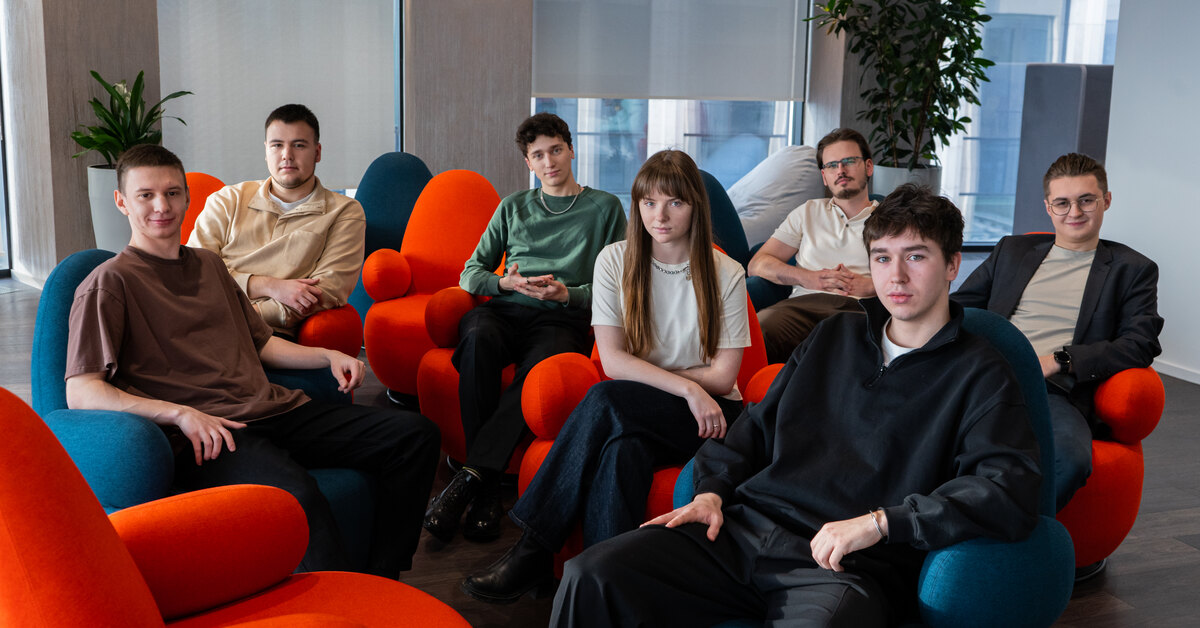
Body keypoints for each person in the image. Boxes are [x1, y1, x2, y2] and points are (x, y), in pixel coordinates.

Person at [552, 184, 1042, 627]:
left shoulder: (981, 371)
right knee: (592, 573)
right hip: (741, 531)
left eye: (916, 256)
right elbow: (756, 427)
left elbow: (1007, 488)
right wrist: (711, 492)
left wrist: (882, 522)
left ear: (953, 265)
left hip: (843, 566)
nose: (896, 275)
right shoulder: (834, 335)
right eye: (882, 257)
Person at [66, 144, 439, 578]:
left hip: (273, 409)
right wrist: (177, 414)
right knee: (297, 497)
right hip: (210, 434)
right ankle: (341, 606)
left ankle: (383, 578)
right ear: (122, 202)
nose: (161, 206)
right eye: (145, 195)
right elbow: (81, 391)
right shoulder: (108, 283)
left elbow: (261, 344)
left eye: (172, 193)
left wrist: (327, 355)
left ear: (187, 198)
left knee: (416, 435)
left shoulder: (209, 265)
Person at [461, 149, 751, 604]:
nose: (660, 216)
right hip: (653, 404)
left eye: (675, 202)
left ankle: (534, 549)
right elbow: (614, 362)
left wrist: (686, 388)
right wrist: (687, 385)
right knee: (621, 451)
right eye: (649, 202)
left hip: (710, 416)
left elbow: (724, 375)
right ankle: (602, 590)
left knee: (603, 400)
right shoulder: (615, 260)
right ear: (637, 205)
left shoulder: (726, 272)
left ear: (695, 205)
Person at [423, 113, 627, 543]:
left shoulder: (605, 208)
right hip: (504, 309)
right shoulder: (513, 206)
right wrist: (505, 283)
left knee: (542, 366)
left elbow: (619, 288)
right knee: (476, 338)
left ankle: (472, 482)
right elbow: (470, 274)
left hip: (560, 316)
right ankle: (484, 486)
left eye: (556, 150)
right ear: (528, 163)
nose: (549, 162)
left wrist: (567, 294)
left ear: (571, 150)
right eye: (538, 155)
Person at [953, 153, 1163, 534]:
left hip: (1054, 391)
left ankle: (1000, 542)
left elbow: (1140, 343)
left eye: (1087, 200)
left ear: (1106, 200)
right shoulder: (1012, 251)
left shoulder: (1133, 269)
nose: (1074, 212)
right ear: (1048, 207)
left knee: (1071, 459)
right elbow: (960, 309)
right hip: (986, 377)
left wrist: (1060, 360)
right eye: (1062, 203)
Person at [188, 104, 365, 337]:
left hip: (268, 333)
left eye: (299, 145)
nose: (287, 155)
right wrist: (269, 286)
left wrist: (241, 317)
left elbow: (327, 291)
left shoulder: (344, 212)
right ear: (266, 150)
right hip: (203, 320)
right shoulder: (228, 199)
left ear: (317, 152)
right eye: (277, 145)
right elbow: (194, 271)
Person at [748, 128, 879, 364]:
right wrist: (809, 278)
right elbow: (757, 264)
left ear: (868, 167)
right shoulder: (807, 212)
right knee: (760, 330)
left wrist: (872, 286)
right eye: (832, 165)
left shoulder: (891, 219)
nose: (841, 170)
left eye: (849, 161)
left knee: (859, 352)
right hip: (802, 307)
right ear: (824, 176)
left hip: (859, 309)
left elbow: (915, 275)